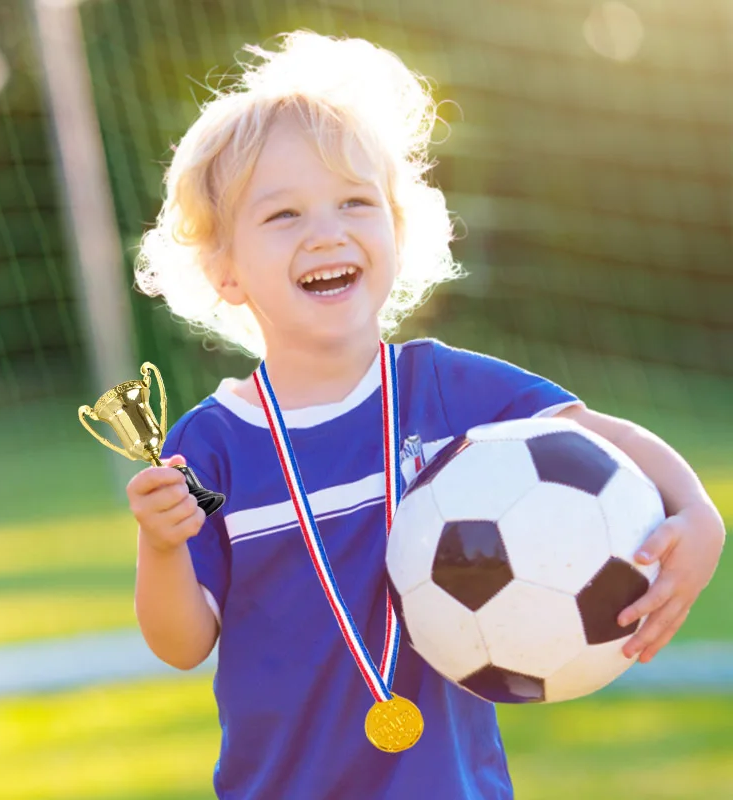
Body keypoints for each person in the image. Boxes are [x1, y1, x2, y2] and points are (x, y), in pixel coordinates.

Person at [127, 31, 725, 799]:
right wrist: (162, 545)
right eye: (283, 215)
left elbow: (604, 437)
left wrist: (698, 514)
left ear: (397, 231)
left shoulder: (446, 391)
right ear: (225, 270)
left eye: (355, 202)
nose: (327, 231)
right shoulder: (210, 449)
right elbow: (182, 643)